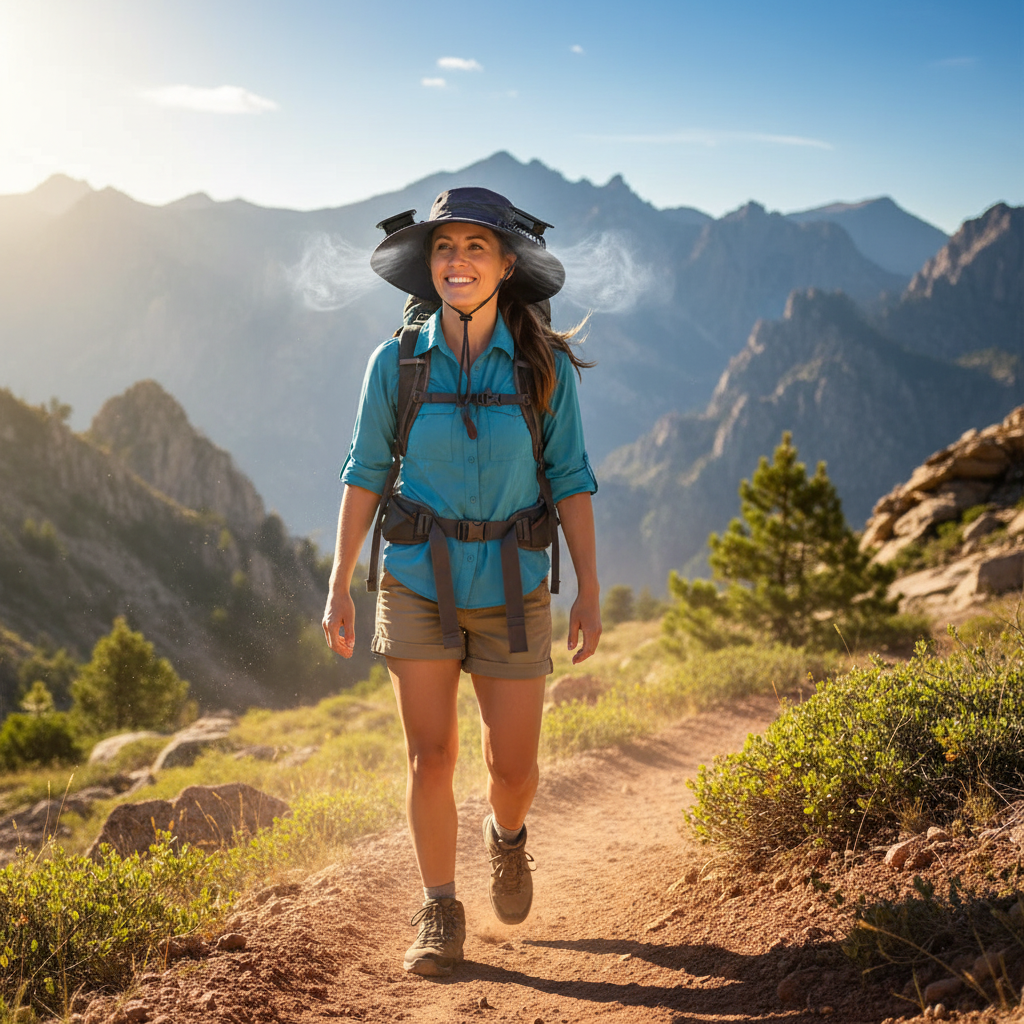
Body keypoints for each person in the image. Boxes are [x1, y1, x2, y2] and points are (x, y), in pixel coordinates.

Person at [322, 187, 601, 977]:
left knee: (513, 771)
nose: (458, 261)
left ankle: (507, 839)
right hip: (417, 579)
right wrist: (340, 582)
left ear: (508, 265)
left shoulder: (543, 367)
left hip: (514, 582)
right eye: (445, 248)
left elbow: (571, 476)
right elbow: (366, 472)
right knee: (430, 756)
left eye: (477, 247)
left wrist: (589, 588)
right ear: (428, 265)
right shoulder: (396, 363)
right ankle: (439, 907)